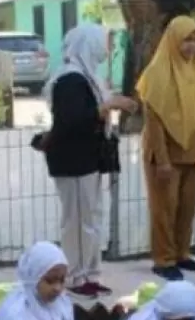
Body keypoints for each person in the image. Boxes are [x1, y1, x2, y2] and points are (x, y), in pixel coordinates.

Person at [42, 23, 137, 298]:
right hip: (73, 161)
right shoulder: (71, 80)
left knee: (91, 217)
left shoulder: (86, 77)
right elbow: (72, 120)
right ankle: (75, 276)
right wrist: (108, 106)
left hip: (85, 159)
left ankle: (90, 274)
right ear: (89, 44)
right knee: (79, 220)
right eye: (102, 43)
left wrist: (109, 104)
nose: (106, 50)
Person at [137, 16, 195, 281]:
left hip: (192, 151)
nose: (191, 46)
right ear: (173, 40)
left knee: (187, 206)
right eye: (186, 40)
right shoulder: (157, 72)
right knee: (164, 208)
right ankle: (163, 258)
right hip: (166, 153)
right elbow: (154, 119)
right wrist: (161, 159)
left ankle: (182, 253)